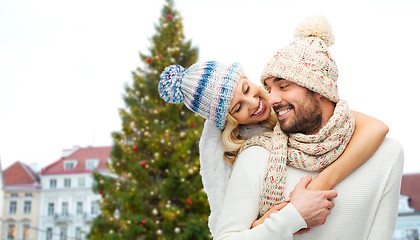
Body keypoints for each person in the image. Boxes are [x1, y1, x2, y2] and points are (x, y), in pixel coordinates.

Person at [214, 15, 403, 239]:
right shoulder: (257, 156)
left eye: (283, 86)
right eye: (269, 88)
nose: (272, 99)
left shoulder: (387, 154)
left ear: (318, 88)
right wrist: (291, 217)